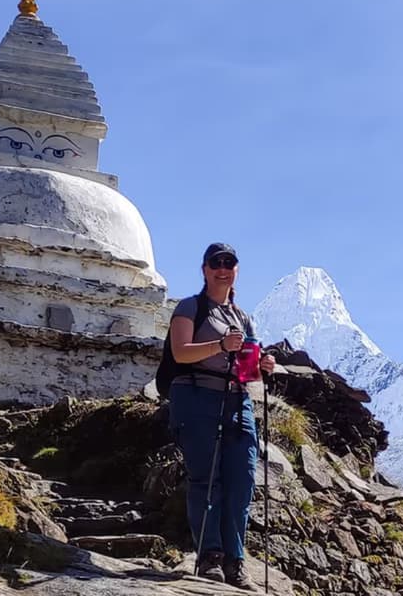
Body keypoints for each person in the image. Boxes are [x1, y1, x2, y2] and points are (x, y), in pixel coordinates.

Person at [167, 242, 275, 589]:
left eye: (229, 263)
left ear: (236, 270)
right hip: (197, 395)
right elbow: (181, 353)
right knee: (206, 479)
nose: (223, 268)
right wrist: (219, 346)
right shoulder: (190, 308)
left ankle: (236, 560)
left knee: (242, 481)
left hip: (236, 399)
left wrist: (262, 365)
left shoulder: (243, 317)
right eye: (216, 263)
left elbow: (246, 366)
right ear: (205, 269)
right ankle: (210, 556)